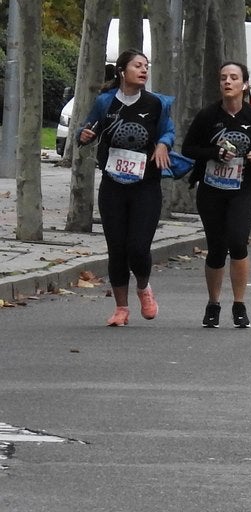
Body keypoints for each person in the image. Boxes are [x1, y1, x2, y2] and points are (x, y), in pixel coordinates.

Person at [75, 48, 174, 327]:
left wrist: (164, 143)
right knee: (117, 248)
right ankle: (121, 309)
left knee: (138, 247)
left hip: (146, 185)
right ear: (122, 71)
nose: (144, 70)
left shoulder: (156, 104)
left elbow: (168, 130)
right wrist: (84, 135)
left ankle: (143, 287)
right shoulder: (106, 102)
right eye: (138, 66)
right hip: (113, 185)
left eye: (146, 66)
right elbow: (86, 130)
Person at [181, 61, 251, 329]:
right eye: (223, 78)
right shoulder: (208, 116)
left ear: (244, 84)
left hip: (243, 187)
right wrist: (214, 153)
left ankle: (240, 304)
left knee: (238, 241)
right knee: (217, 247)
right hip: (212, 188)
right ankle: (213, 303)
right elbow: (189, 148)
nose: (227, 82)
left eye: (233, 78)